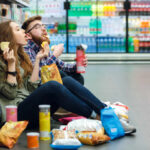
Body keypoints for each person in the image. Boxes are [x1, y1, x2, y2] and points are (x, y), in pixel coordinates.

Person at [0, 21, 136, 134]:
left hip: (33, 107)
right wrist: (11, 66)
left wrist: (37, 60)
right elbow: (10, 95)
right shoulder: (4, 61)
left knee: (65, 80)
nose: (23, 32)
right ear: (8, 36)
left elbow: (32, 87)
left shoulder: (21, 56)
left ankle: (104, 113)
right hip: (14, 117)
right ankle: (101, 117)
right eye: (18, 29)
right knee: (53, 85)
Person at [22, 15, 85, 85]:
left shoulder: (43, 46)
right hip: (39, 88)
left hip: (50, 85)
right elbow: (39, 78)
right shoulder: (26, 50)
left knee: (77, 76)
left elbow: (63, 66)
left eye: (43, 26)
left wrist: (78, 64)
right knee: (64, 76)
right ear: (28, 36)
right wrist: (55, 55)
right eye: (37, 27)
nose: (43, 29)